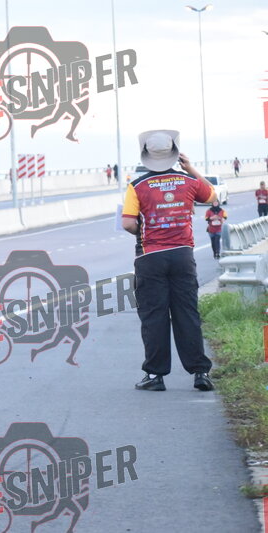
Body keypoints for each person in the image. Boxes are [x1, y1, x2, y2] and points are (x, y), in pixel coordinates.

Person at [121, 129, 216, 392]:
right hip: (183, 255)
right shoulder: (188, 181)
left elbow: (127, 223)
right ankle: (200, 372)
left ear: (146, 155)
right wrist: (191, 168)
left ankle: (155, 375)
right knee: (187, 313)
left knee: (154, 316)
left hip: (150, 257)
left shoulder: (137, 186)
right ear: (175, 154)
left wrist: (142, 229)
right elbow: (212, 196)